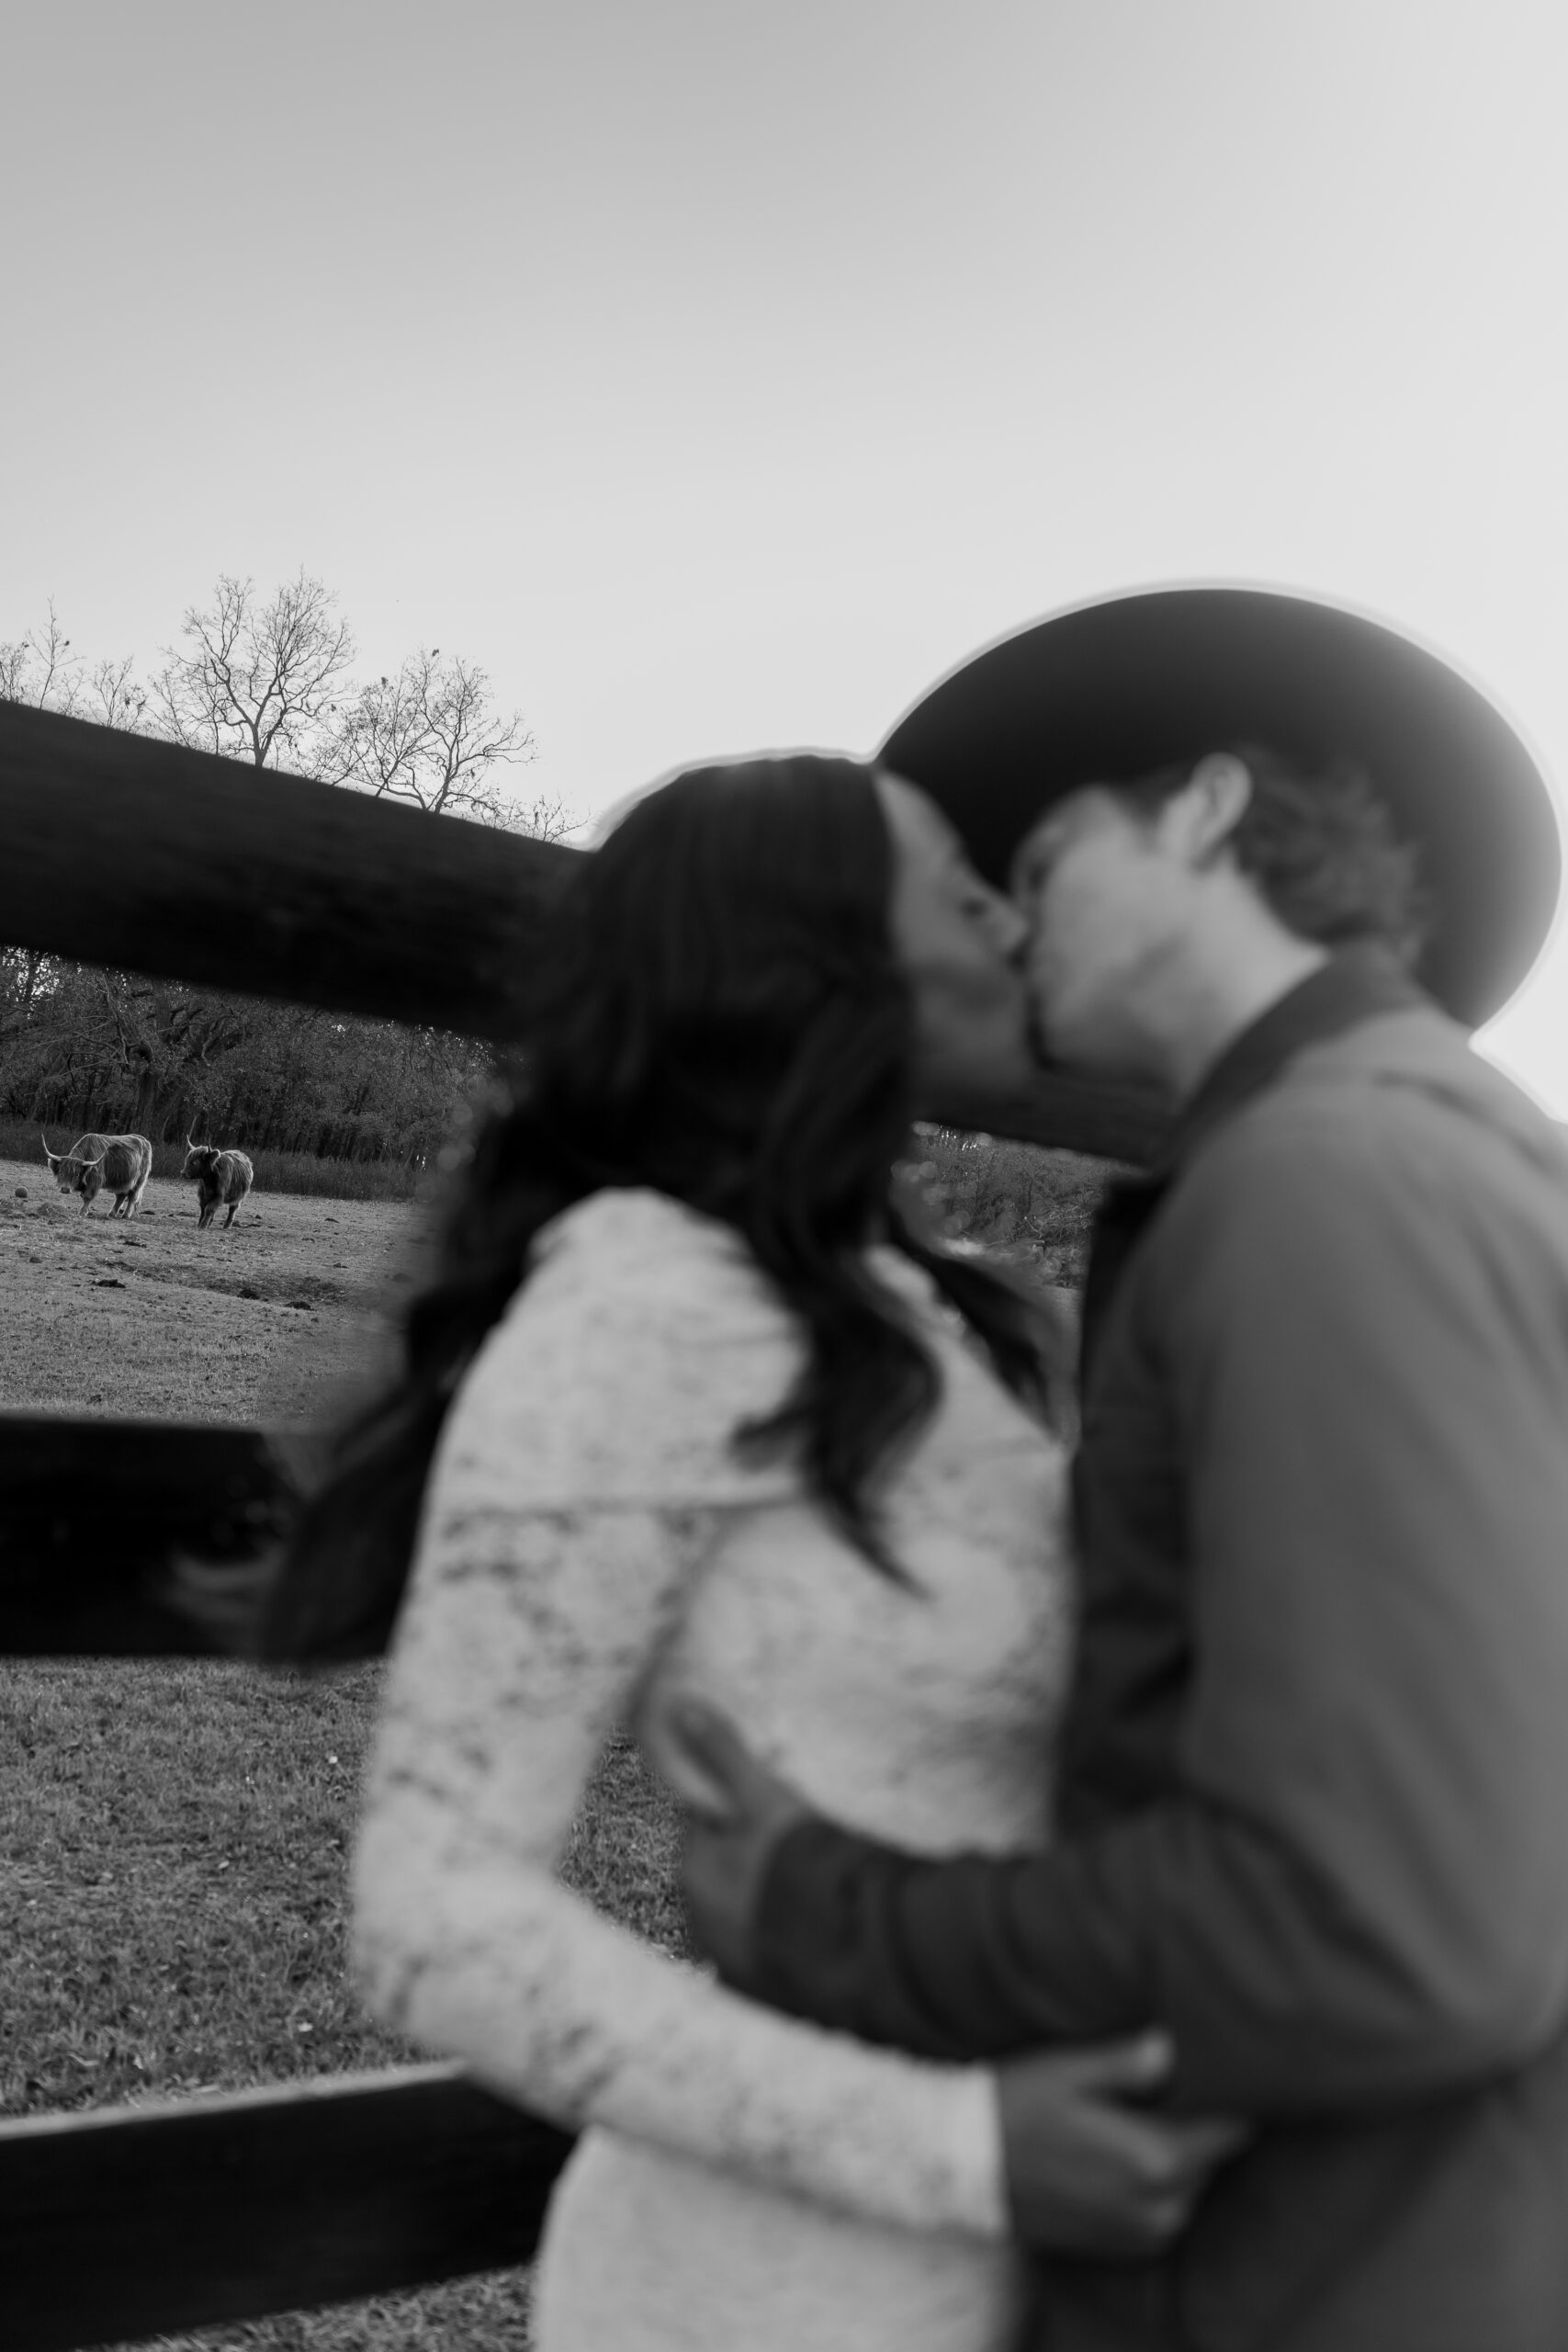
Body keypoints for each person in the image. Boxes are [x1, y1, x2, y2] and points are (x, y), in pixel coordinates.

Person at [670, 589, 1568, 2352]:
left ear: (1210, 813)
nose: (1004, 916)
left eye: (1049, 853)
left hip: (1315, 2276)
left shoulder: (1330, 1187)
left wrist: (823, 1910)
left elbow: (1375, 1923)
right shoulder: (1455, 1153)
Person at [256, 752, 1242, 2352]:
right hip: (785, 2282)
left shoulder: (933, 1307)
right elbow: (431, 1914)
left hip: (1052, 2267)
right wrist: (964, 2150)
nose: (1008, 909)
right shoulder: (646, 1301)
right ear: (808, 948)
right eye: (952, 875)